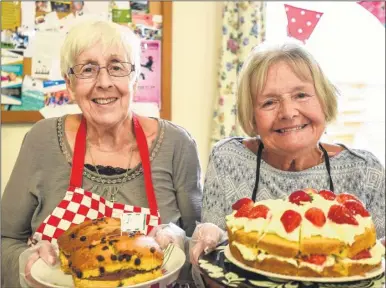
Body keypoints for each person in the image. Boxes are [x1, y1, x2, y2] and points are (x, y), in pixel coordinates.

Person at [1, 20, 202, 288]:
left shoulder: (177, 145)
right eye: (88, 69)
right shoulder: (42, 140)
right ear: (70, 84)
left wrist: (180, 245)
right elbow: (5, 240)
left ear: (134, 78)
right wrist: (27, 268)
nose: (104, 82)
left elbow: (200, 255)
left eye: (117, 67)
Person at [190, 40, 385, 285]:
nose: (288, 112)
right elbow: (212, 273)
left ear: (323, 100)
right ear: (252, 115)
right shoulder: (228, 159)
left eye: (301, 95)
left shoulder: (365, 171)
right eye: (269, 102)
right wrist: (207, 242)